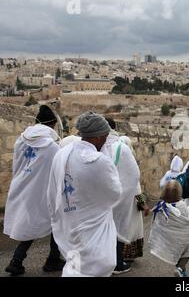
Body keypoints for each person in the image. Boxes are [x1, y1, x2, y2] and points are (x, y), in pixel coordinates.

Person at [47, 111, 122, 277]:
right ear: (96, 137)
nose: (106, 140)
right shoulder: (98, 161)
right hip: (93, 223)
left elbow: (53, 188)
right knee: (96, 264)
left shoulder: (62, 154)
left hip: (70, 219)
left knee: (75, 262)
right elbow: (115, 193)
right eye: (105, 136)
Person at [4, 105, 65, 276]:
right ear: (53, 124)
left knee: (30, 223)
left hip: (21, 185)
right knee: (54, 222)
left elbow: (18, 164)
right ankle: (50, 259)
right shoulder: (53, 147)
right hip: (42, 190)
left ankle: (18, 260)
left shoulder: (21, 140)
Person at [101, 118, 141, 274]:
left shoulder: (96, 146)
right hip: (121, 199)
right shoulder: (121, 148)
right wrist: (126, 195)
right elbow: (134, 176)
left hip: (101, 198)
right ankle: (117, 263)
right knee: (117, 229)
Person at [148, 180, 189, 277]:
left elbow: (155, 223)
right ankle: (180, 267)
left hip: (169, 237)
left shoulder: (160, 208)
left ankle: (181, 269)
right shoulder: (181, 206)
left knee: (187, 235)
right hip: (184, 236)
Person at [118, 135, 149, 263]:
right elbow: (137, 188)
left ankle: (118, 255)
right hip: (130, 204)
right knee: (130, 227)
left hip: (118, 203)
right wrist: (143, 204)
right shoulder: (130, 164)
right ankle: (126, 255)